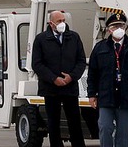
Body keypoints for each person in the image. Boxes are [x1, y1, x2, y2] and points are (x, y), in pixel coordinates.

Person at [87, 13, 128, 147]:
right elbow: (93, 72)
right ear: (109, 29)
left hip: (126, 98)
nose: (119, 28)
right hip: (106, 97)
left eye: (121, 25)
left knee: (123, 133)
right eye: (115, 26)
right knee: (105, 127)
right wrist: (92, 94)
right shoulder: (100, 48)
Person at [31, 10, 87, 147]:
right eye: (59, 21)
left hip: (70, 87)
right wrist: (53, 78)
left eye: (63, 20)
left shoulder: (74, 37)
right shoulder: (41, 39)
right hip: (51, 89)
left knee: (74, 120)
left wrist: (71, 77)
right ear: (51, 23)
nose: (62, 23)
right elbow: (37, 64)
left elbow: (81, 61)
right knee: (53, 122)